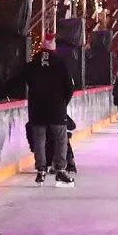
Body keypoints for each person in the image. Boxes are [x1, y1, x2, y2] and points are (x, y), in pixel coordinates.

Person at [24, 42, 76, 186]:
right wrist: (62, 103)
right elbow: (69, 87)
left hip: (37, 109)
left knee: (40, 139)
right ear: (53, 49)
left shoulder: (32, 64)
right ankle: (60, 170)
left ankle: (41, 170)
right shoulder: (60, 63)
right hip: (56, 109)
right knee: (61, 139)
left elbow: (23, 81)